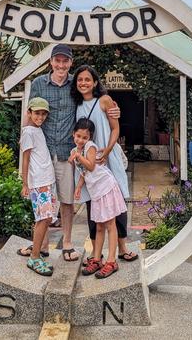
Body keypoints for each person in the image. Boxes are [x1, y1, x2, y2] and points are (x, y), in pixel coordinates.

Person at [18, 44, 120, 261]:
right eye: (58, 61)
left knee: (66, 200)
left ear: (70, 63)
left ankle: (67, 243)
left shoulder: (75, 84)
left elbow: (95, 97)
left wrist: (114, 107)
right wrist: (25, 142)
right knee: (44, 200)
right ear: (51, 62)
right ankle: (42, 245)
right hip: (42, 153)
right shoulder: (38, 83)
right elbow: (30, 115)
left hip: (67, 152)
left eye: (65, 61)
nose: (61, 65)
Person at [70, 64, 138, 264]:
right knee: (93, 205)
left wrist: (107, 152)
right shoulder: (75, 104)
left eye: (87, 79)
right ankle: (94, 252)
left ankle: (123, 247)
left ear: (95, 82)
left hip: (107, 159)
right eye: (80, 80)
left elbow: (115, 129)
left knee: (117, 204)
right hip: (87, 163)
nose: (83, 83)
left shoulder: (105, 100)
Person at [69, 118, 127, 278]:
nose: (81, 140)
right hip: (95, 192)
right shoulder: (75, 150)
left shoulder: (90, 147)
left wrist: (77, 157)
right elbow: (84, 172)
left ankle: (111, 261)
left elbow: (91, 165)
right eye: (78, 136)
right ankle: (96, 259)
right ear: (73, 134)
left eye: (84, 137)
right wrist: (79, 187)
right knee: (99, 226)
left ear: (90, 138)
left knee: (110, 224)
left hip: (106, 187)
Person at [19, 97, 59, 276]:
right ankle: (34, 257)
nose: (40, 117)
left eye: (43, 114)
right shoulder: (28, 131)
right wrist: (25, 183)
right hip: (39, 183)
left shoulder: (38, 130)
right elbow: (25, 158)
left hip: (47, 181)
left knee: (46, 219)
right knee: (43, 219)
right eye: (36, 113)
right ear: (29, 112)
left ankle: (36, 248)